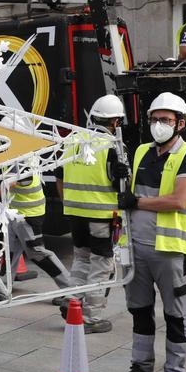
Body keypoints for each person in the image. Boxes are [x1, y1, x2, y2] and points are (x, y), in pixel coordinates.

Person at [112, 92, 186, 372]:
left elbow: (179, 200)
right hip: (136, 247)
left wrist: (137, 201)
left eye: (165, 120)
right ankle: (141, 368)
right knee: (139, 311)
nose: (158, 124)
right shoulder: (139, 152)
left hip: (168, 250)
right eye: (154, 119)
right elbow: (129, 195)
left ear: (181, 123)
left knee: (175, 315)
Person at [58, 93, 128, 334]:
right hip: (101, 214)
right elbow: (122, 184)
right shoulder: (112, 145)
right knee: (101, 265)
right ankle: (91, 318)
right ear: (115, 122)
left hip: (74, 212)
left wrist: (70, 201)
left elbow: (59, 176)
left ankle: (71, 302)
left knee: (81, 259)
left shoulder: (72, 139)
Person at [0, 171, 79, 305]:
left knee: (38, 253)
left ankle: (71, 291)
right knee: (10, 252)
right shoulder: (19, 155)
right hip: (17, 214)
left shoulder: (22, 159)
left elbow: (10, 182)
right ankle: (1, 290)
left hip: (27, 216)